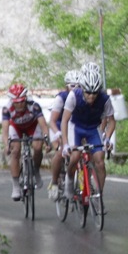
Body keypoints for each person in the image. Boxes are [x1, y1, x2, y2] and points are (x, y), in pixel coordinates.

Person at [61, 69, 116, 201]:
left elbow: (112, 121)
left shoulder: (104, 99)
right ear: (82, 88)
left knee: (100, 162)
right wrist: (65, 143)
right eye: (88, 93)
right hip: (76, 127)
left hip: (93, 128)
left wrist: (107, 138)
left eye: (94, 93)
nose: (91, 96)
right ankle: (69, 182)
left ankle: (99, 195)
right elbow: (64, 120)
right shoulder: (74, 96)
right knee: (74, 157)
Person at [2, 83, 51, 201]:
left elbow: (43, 125)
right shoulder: (7, 109)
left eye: (22, 101)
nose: (19, 105)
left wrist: (47, 141)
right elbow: (5, 131)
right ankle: (15, 186)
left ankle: (36, 170)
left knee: (38, 146)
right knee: (15, 150)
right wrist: (6, 145)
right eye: (16, 102)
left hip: (32, 126)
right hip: (16, 127)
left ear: (25, 99)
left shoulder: (34, 106)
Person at [47, 70, 80, 200]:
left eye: (79, 85)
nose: (76, 88)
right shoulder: (61, 98)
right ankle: (54, 182)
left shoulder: (83, 96)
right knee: (61, 151)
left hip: (73, 126)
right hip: (59, 126)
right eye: (73, 85)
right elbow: (52, 121)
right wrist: (59, 134)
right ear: (66, 86)